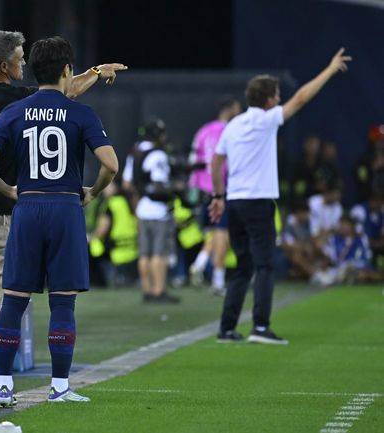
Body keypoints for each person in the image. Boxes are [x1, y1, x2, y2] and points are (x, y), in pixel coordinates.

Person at [0, 29, 126, 404]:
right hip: (21, 212)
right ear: (6, 66)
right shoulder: (23, 99)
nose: (22, 63)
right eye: (18, 58)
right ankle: (1, 382)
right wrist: (88, 191)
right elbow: (68, 99)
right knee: (17, 298)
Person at [209, 48, 352, 345]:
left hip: (235, 202)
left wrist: (218, 196)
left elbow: (216, 161)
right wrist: (329, 69)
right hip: (258, 201)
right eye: (276, 95)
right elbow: (300, 99)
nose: (279, 99)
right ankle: (260, 328)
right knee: (264, 265)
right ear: (269, 100)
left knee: (243, 267)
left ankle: (226, 329)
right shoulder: (264, 120)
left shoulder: (233, 125)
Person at [188, 97, 242, 295]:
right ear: (231, 109)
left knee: (215, 232)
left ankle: (200, 263)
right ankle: (218, 281)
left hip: (203, 190)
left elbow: (194, 159)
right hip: (221, 188)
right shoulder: (231, 130)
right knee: (221, 233)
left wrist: (194, 187)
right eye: (237, 107)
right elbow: (231, 162)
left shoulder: (203, 131)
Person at [129, 119, 180, 303]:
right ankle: (159, 291)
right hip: (158, 210)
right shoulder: (158, 154)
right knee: (159, 253)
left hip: (142, 208)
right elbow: (159, 184)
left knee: (144, 254)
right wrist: (176, 187)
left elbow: (129, 183)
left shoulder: (135, 152)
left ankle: (147, 291)